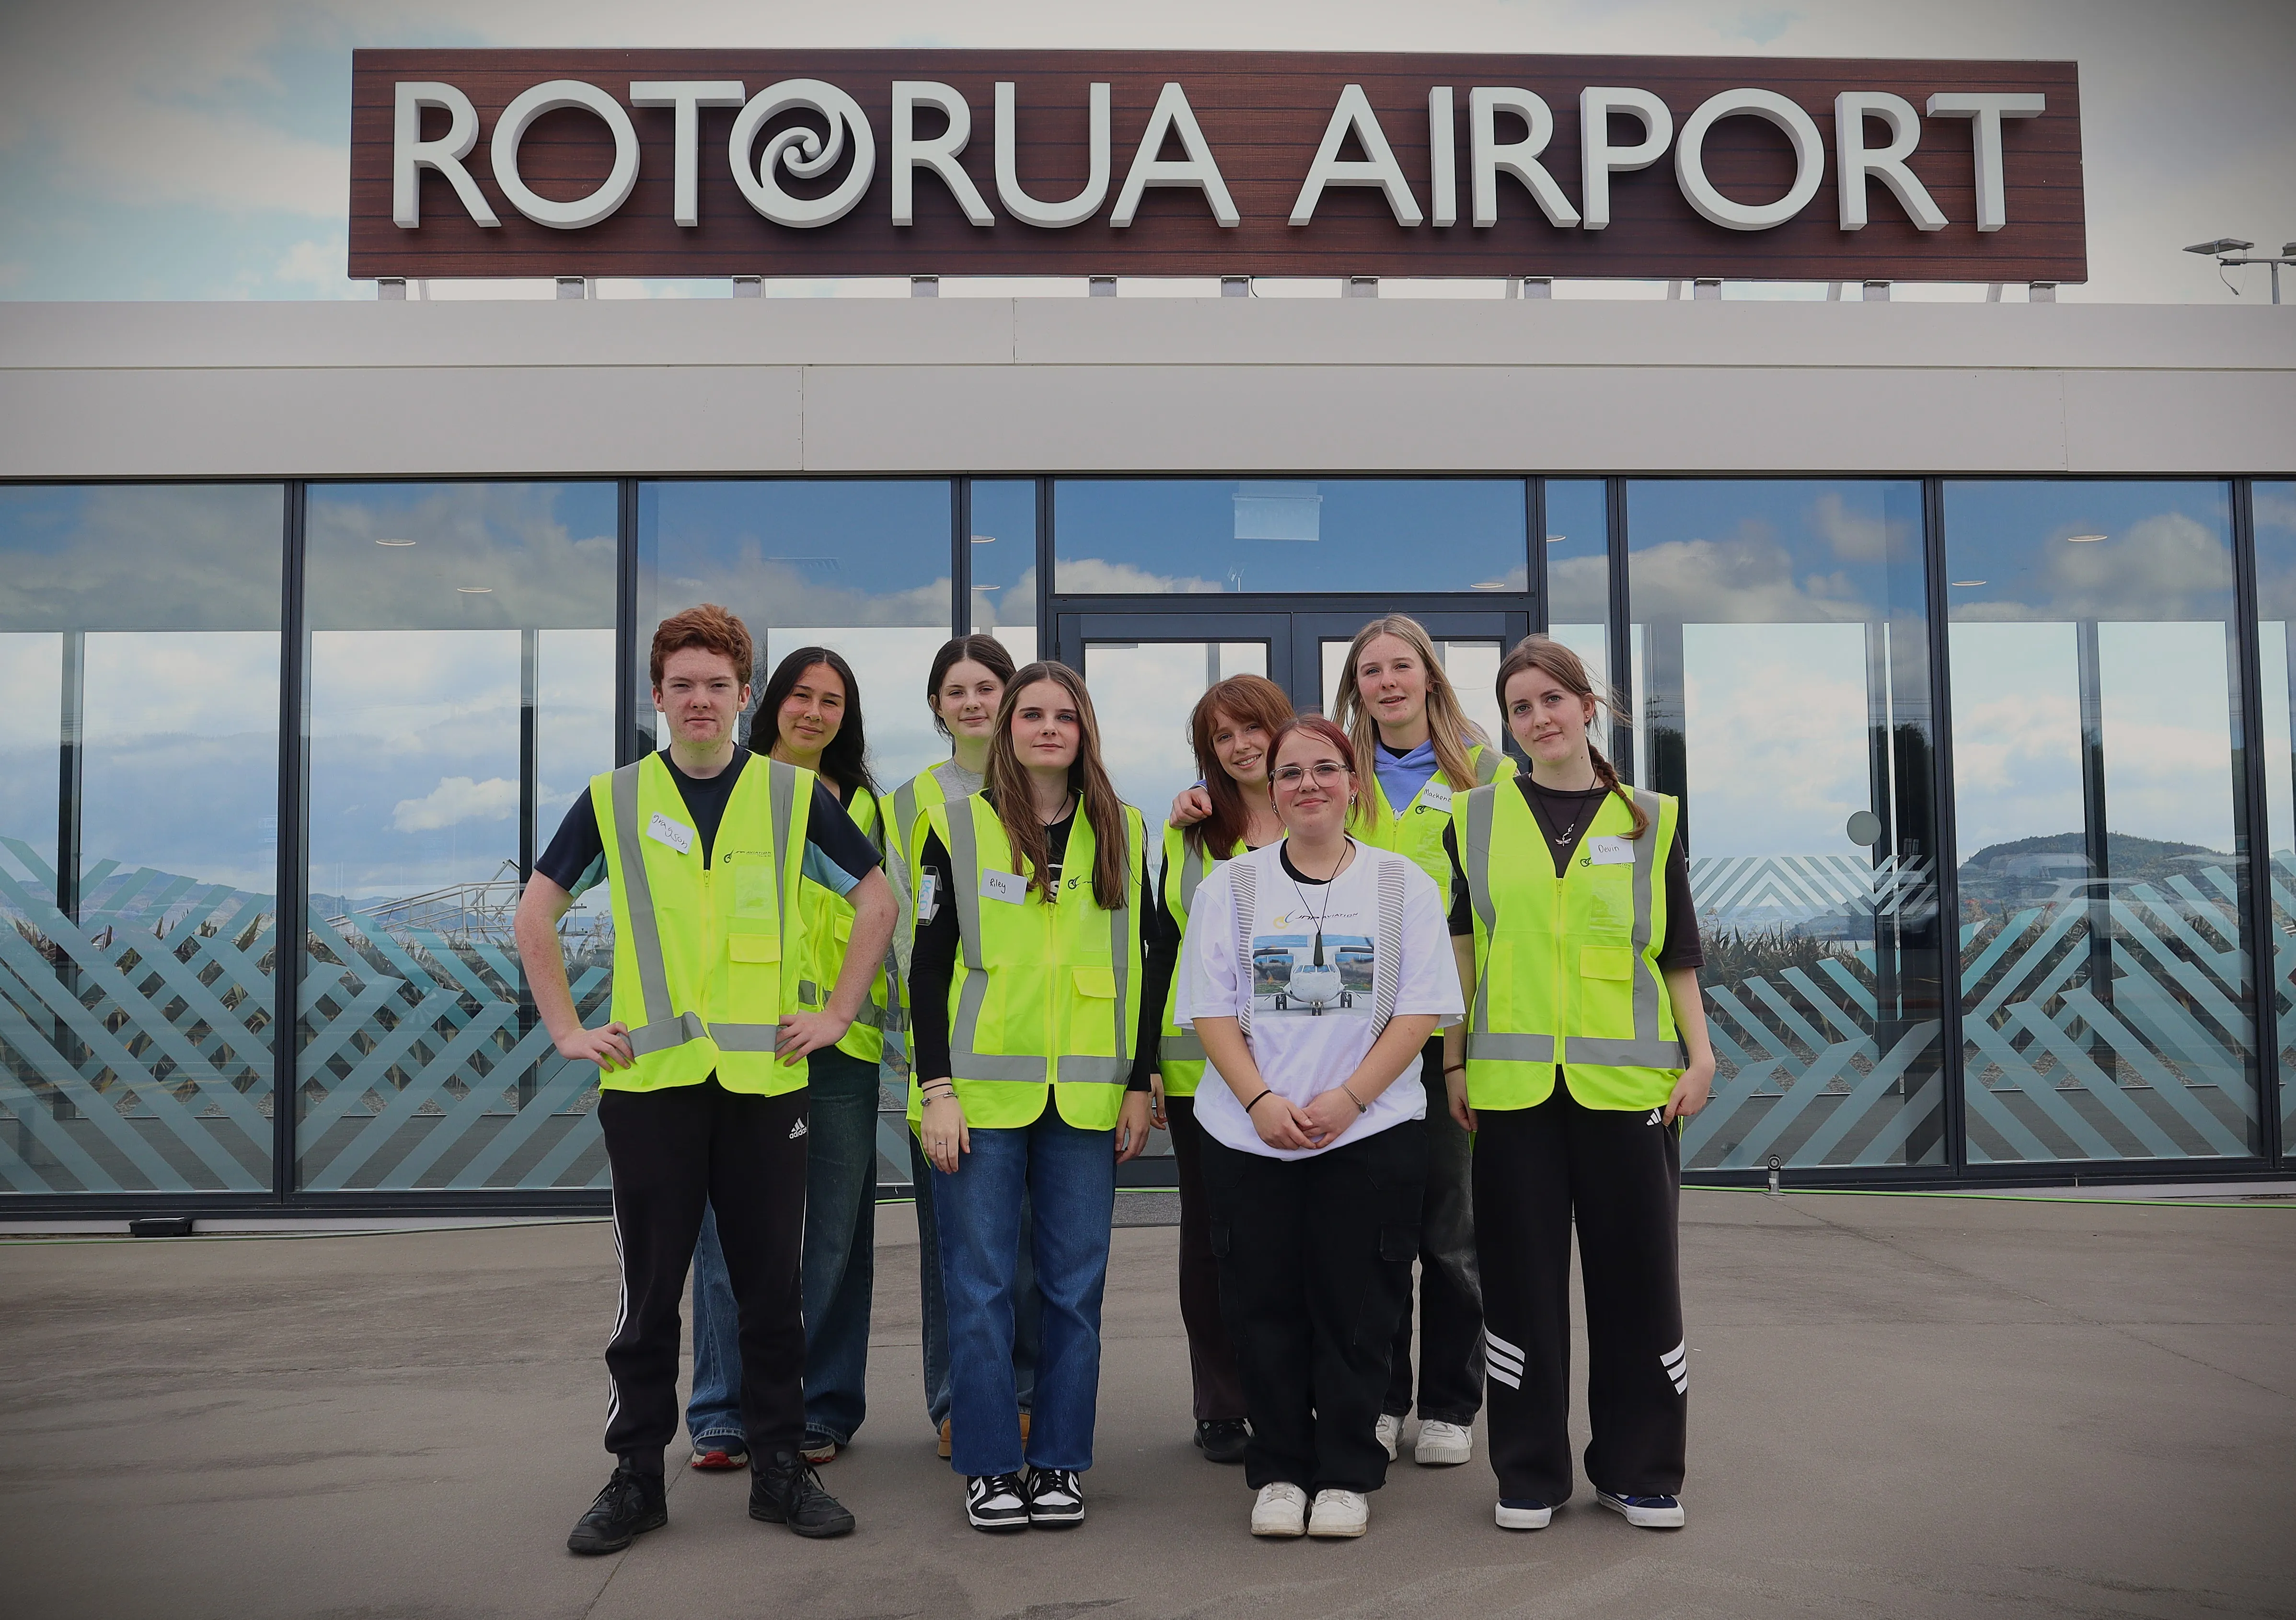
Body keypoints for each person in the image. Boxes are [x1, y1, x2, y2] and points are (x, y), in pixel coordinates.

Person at [516, 604, 896, 1553]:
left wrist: (839, 1013)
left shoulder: (789, 796)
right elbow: (536, 911)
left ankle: (778, 1469)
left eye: (716, 685)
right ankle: (636, 1476)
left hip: (767, 1087)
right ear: (657, 697)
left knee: (772, 1290)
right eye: (680, 685)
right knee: (649, 1297)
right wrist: (565, 1028)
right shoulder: (613, 800)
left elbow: (877, 900)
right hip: (651, 1088)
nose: (698, 699)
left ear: (743, 696)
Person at [1167, 614, 1508, 1469]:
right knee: (1373, 1241)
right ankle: (1381, 1400)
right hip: (1319, 1051)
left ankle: (1449, 1403)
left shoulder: (1485, 779)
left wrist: (1458, 1054)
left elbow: (1481, 918)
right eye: (1370, 671)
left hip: (1433, 1031)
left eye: (1402, 667)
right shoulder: (1295, 800)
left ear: (1430, 676)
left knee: (1448, 1232)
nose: (1386, 682)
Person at [1442, 635, 1715, 1533]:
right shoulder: (1473, 818)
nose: (1538, 719)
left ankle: (1639, 1470)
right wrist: (1452, 1059)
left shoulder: (1649, 816)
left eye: (1551, 700)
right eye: (1519, 708)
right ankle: (1528, 1473)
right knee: (1520, 1285)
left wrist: (1699, 1054)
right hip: (1512, 1093)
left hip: (1630, 1086)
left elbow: (1674, 950)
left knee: (1638, 1282)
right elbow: (1462, 954)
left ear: (1586, 707)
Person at [1177, 715, 1462, 1540]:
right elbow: (1210, 1011)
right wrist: (1263, 1102)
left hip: (1369, 1133)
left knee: (1358, 1304)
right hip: (1248, 1135)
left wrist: (1350, 1099)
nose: (1308, 785)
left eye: (1324, 770)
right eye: (1290, 772)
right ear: (1271, 788)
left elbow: (1419, 1011)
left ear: (1352, 782)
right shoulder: (1229, 888)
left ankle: (1343, 1473)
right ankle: (1278, 1472)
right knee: (1261, 1305)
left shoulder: (1401, 884)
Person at [910, 661, 1158, 1530]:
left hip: (1088, 1100)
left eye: (1064, 715)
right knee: (977, 1288)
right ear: (1005, 729)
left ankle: (1058, 1462)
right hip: (976, 1097)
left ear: (1084, 729)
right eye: (1031, 715)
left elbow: (1146, 962)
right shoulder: (956, 827)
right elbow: (928, 966)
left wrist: (1140, 1081)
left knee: (1071, 1291)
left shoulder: (1122, 828)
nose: (1047, 728)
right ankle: (988, 1464)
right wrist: (934, 1090)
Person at [684, 646, 894, 1471]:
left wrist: (840, 1016)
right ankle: (724, 1412)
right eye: (800, 696)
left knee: (835, 1238)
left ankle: (824, 1407)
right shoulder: (726, 795)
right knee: (724, 1236)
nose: (813, 712)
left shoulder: (871, 807)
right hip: (739, 1044)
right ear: (768, 703)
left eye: (832, 701)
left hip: (839, 1046)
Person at [882, 634, 1044, 1459]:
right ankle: (956, 1401)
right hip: (947, 1044)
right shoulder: (910, 800)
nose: (974, 703)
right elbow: (910, 922)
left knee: (1024, 1241)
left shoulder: (1051, 789)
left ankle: (1022, 1394)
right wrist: (925, 1049)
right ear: (937, 706)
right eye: (957, 691)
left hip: (1033, 1045)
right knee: (956, 1237)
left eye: (988, 687)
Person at [1146, 674, 1290, 1465]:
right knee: (1213, 1239)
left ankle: (1296, 1391)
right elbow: (1161, 949)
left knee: (1302, 1238)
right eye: (1221, 737)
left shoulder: (1327, 814)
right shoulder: (1189, 834)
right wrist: (1143, 1070)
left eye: (1251, 730)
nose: (1240, 747)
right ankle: (1222, 1401)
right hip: (1202, 1072)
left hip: (1310, 1063)